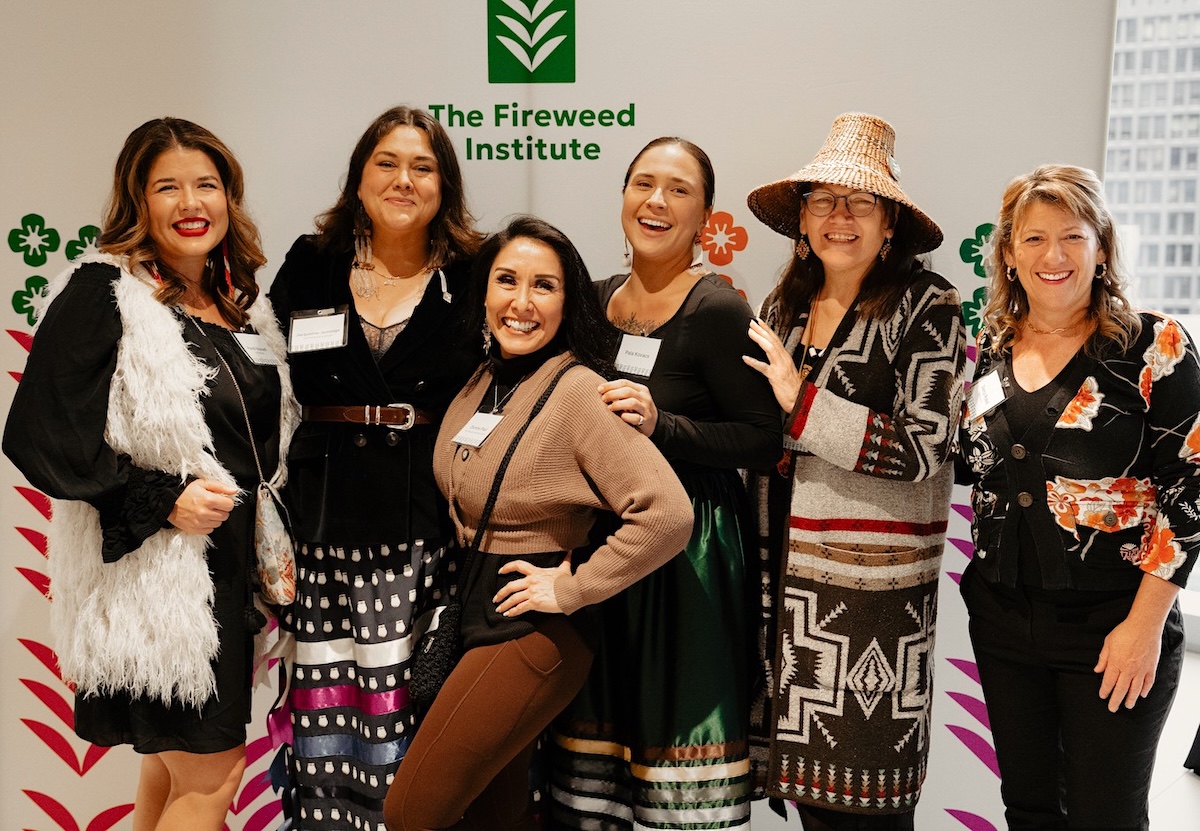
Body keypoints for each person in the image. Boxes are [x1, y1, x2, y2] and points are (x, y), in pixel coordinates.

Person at [2, 117, 295, 830]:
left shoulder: (238, 305)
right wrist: (164, 499)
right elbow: (38, 433)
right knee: (214, 770)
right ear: (138, 200)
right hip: (162, 590)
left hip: (228, 575)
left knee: (168, 774)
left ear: (230, 197)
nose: (191, 202)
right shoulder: (106, 289)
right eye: (168, 186)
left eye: (207, 184)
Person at [382, 215, 693, 830]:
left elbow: (667, 514)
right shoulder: (483, 380)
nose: (521, 303)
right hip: (474, 608)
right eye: (507, 281)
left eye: (544, 286)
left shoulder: (579, 391)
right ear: (484, 294)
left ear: (568, 299)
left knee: (410, 812)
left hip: (532, 631)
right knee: (490, 816)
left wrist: (570, 585)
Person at [742, 112, 965, 829]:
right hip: (788, 589)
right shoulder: (785, 304)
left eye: (860, 202)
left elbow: (926, 444)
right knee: (812, 805)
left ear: (890, 222)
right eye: (823, 201)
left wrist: (798, 404)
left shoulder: (929, 305)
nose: (840, 217)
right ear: (801, 219)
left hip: (872, 604)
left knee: (868, 809)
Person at [958, 163, 1198, 830]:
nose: (1053, 256)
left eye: (1072, 235)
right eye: (1033, 239)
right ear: (1008, 254)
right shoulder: (993, 352)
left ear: (1102, 246)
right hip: (1005, 621)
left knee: (1104, 817)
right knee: (1029, 810)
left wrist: (1144, 627)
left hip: (1114, 625)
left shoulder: (1154, 346)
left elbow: (1192, 491)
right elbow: (971, 467)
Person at [550, 137, 781, 829]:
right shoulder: (589, 304)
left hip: (692, 556)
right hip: (605, 548)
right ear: (622, 197)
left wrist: (664, 424)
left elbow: (763, 439)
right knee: (598, 756)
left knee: (678, 750)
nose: (657, 201)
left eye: (678, 189)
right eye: (643, 183)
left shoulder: (718, 311)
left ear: (705, 215)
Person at [266, 105, 483, 830]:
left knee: (408, 717)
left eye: (423, 166)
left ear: (444, 186)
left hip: (426, 529)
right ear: (358, 178)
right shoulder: (312, 261)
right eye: (386, 163)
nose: (403, 179)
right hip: (323, 527)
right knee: (327, 725)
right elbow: (266, 377)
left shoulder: (476, 272)